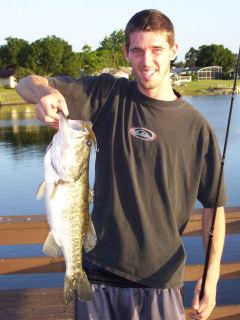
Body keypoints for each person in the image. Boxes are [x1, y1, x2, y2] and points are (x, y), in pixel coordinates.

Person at [16, 9, 226, 320]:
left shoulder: (199, 129)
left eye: (156, 50)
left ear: (173, 50)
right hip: (96, 273)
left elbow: (214, 208)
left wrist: (212, 276)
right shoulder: (108, 95)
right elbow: (25, 83)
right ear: (127, 52)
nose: (147, 61)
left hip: (158, 282)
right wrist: (45, 93)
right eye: (137, 50)